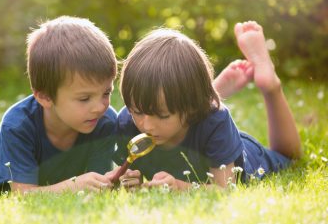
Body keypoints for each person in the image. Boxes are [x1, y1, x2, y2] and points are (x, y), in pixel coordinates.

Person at [0, 16, 118, 193]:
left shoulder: (105, 121)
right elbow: (23, 194)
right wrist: (74, 185)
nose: (100, 107)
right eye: (84, 98)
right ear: (45, 97)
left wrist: (120, 179)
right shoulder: (17, 125)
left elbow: (99, 182)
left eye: (106, 93)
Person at [113, 21, 302, 190]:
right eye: (136, 111)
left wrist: (179, 187)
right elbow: (130, 179)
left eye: (162, 115)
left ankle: (270, 86)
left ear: (192, 108)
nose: (146, 126)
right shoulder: (127, 123)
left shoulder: (216, 121)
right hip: (196, 116)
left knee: (290, 156)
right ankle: (212, 91)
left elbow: (224, 189)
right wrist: (134, 182)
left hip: (243, 155)